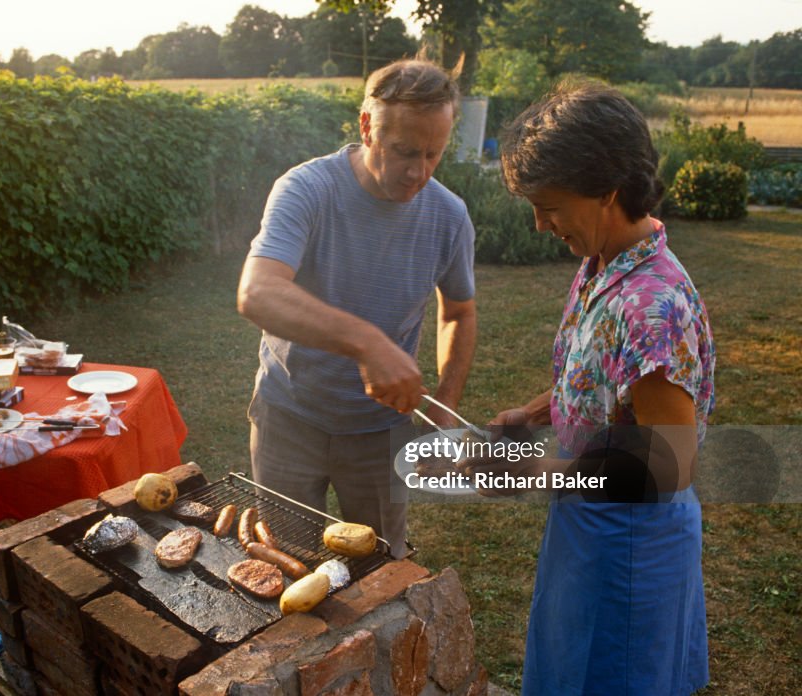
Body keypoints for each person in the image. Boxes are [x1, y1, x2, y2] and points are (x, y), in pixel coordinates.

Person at [467, 82, 715, 694]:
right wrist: (530, 413)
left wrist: (532, 475)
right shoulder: (604, 261)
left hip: (632, 542)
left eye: (549, 206)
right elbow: (602, 379)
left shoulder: (651, 305)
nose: (538, 223)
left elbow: (668, 463)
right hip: (589, 523)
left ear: (606, 192)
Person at [236, 59, 477, 558]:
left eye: (435, 153)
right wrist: (367, 342)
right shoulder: (307, 189)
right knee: (289, 560)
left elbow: (458, 311)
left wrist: (447, 403)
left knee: (383, 565)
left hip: (381, 431)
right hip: (289, 415)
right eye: (405, 151)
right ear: (367, 126)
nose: (419, 172)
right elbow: (257, 292)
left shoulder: (449, 215)